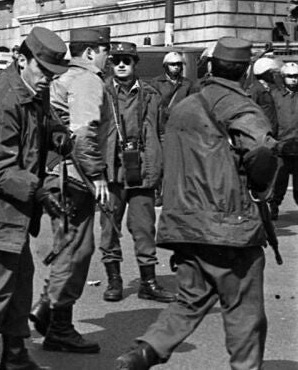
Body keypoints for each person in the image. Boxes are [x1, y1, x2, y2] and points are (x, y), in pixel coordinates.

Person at [115, 37, 280, 370]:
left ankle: (144, 352)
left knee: (191, 298)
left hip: (184, 223)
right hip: (228, 227)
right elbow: (263, 150)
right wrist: (260, 184)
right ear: (246, 71)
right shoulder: (241, 106)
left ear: (210, 67)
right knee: (245, 310)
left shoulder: (184, 106)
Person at [0, 26, 69, 370]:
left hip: (13, 204)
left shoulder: (32, 89)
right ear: (21, 60)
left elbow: (46, 123)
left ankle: (15, 353)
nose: (48, 79)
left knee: (20, 278)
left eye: (52, 74)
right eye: (43, 70)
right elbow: (0, 170)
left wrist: (59, 136)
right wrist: (41, 192)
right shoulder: (3, 99)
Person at [30, 26, 114, 355]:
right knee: (76, 250)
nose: (108, 58)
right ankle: (58, 325)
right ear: (91, 52)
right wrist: (97, 175)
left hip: (56, 174)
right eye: (105, 51)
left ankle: (46, 309)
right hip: (73, 176)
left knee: (69, 246)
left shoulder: (62, 76)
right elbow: (83, 132)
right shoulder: (87, 80)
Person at [97, 42, 174, 303]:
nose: (121, 65)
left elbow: (162, 132)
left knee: (144, 227)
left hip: (143, 167)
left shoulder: (151, 94)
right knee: (109, 227)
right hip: (112, 169)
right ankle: (114, 280)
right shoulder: (101, 92)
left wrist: (162, 167)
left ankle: (148, 282)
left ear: (135, 63)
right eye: (116, 60)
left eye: (127, 60)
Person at [270, 62, 298, 219]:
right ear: (283, 77)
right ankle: (274, 207)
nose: (294, 79)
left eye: (296, 76)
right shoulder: (275, 95)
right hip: (281, 145)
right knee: (279, 181)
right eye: (290, 76)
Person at [151, 51, 196, 131]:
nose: (176, 67)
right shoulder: (156, 83)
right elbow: (153, 107)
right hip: (162, 127)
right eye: (172, 64)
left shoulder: (187, 84)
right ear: (165, 66)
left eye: (179, 64)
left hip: (181, 126)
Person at [247, 56, 280, 136]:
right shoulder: (255, 90)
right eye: (272, 72)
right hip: (262, 134)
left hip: (270, 133)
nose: (274, 75)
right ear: (265, 74)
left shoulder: (268, 89)